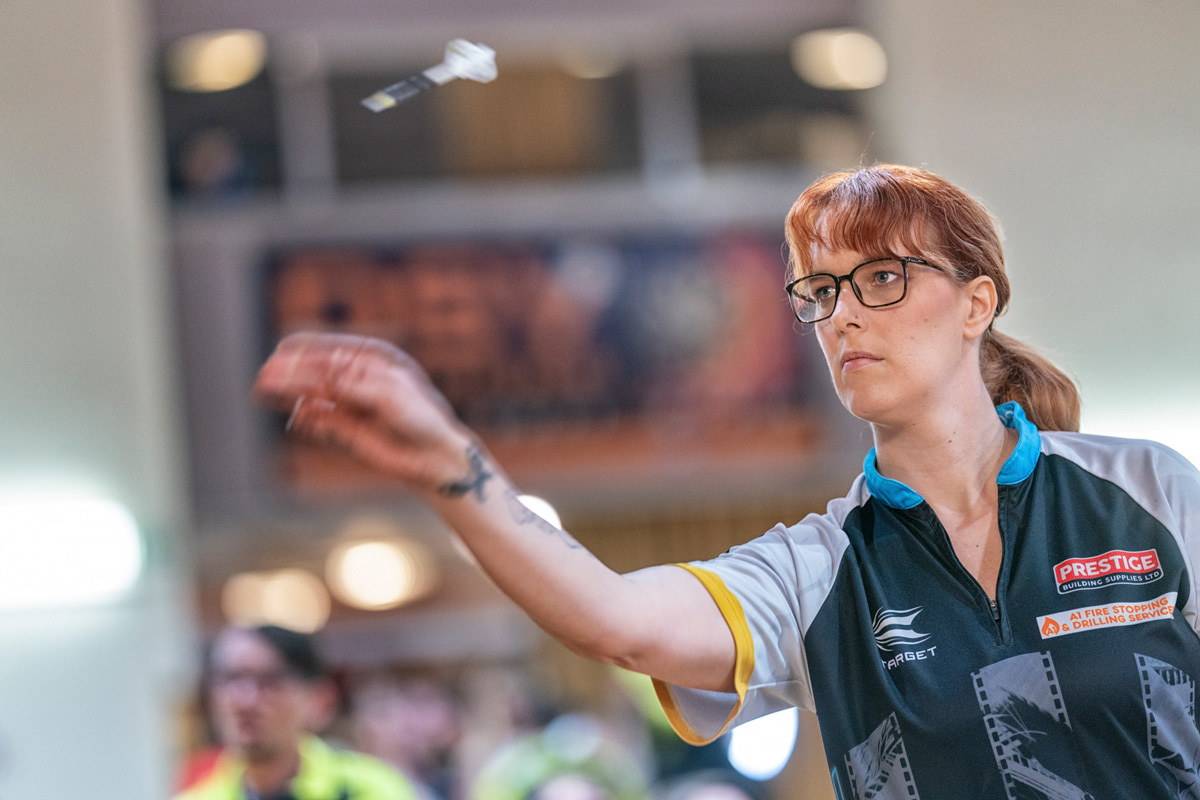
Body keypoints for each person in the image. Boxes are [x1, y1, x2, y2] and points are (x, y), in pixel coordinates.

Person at [252, 165, 1200, 800]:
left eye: (882, 278)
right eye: (821, 290)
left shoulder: (1147, 489)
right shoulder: (818, 572)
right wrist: (446, 466)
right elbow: (616, 620)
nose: (843, 316)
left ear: (975, 302)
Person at [175, 624, 418, 800]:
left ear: (319, 700)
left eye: (269, 681)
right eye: (232, 679)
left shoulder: (369, 791)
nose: (245, 700)